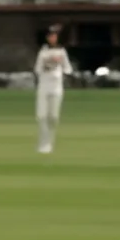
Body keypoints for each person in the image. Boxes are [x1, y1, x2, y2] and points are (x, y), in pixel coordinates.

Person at [34, 24, 73, 154]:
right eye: (50, 36)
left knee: (54, 117)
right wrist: (48, 64)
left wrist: (61, 67)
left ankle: (50, 141)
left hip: (56, 87)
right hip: (44, 87)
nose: (53, 38)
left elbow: (68, 68)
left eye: (54, 36)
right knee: (42, 116)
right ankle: (43, 144)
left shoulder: (61, 51)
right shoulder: (43, 52)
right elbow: (37, 69)